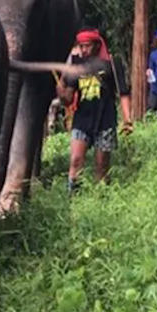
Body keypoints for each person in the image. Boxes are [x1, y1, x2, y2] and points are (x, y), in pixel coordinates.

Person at [56, 28, 131, 194]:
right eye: (81, 46)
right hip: (82, 120)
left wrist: (127, 120)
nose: (83, 50)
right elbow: (68, 99)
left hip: (106, 120)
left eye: (87, 46)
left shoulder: (111, 63)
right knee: (75, 160)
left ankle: (100, 198)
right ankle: (73, 197)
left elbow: (123, 93)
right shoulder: (75, 67)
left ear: (97, 46)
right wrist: (61, 91)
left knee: (102, 165)